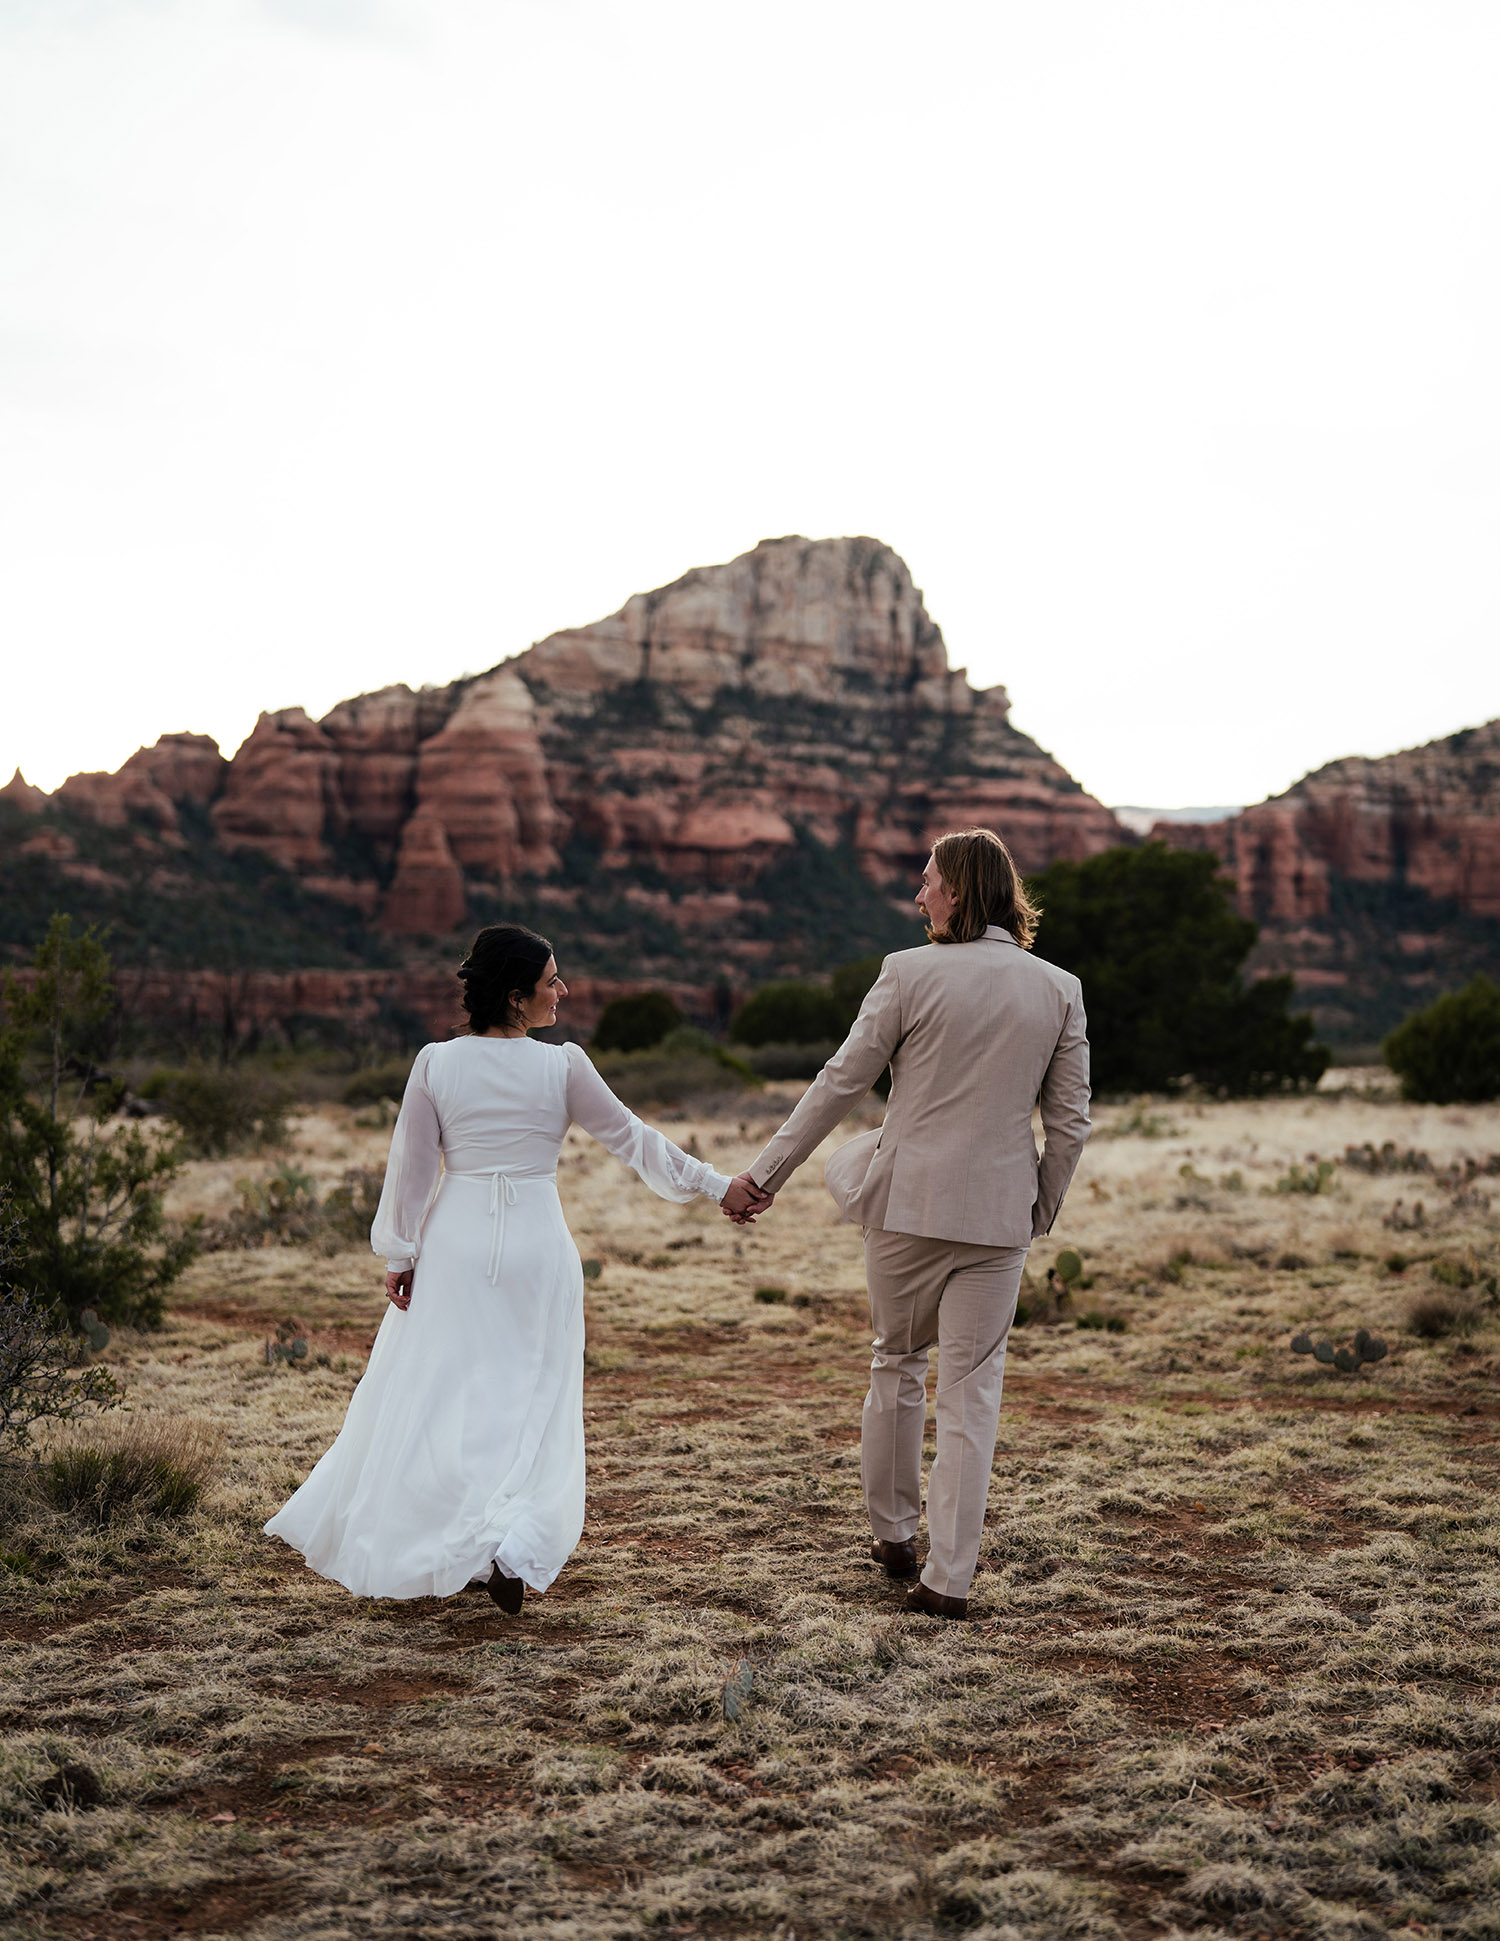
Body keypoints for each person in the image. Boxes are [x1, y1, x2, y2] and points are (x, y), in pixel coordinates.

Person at [264, 924, 769, 1612]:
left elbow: (410, 1171)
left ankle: (469, 1536)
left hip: (456, 1245)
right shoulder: (563, 1067)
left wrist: (400, 1253)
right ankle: (504, 1538)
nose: (562, 990)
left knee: (449, 1392)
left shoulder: (436, 1063)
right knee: (529, 1394)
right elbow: (635, 1140)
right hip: (537, 1246)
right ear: (514, 995)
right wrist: (717, 1185)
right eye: (551, 980)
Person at [724, 828, 1090, 1620]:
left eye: (926, 881)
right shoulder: (1060, 987)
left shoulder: (907, 973)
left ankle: (893, 1534)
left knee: (896, 1360)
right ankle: (947, 1579)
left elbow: (838, 1084)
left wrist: (764, 1175)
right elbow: (1069, 1127)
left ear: (957, 890)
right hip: (998, 1219)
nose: (917, 894)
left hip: (905, 1208)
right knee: (971, 1393)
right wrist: (1037, 1211)